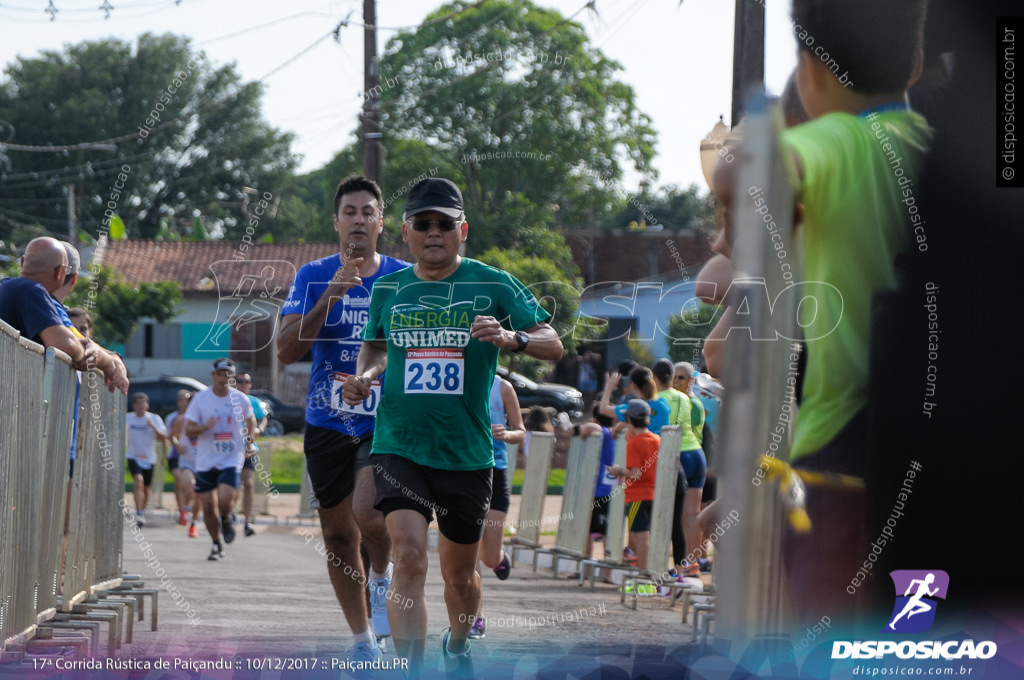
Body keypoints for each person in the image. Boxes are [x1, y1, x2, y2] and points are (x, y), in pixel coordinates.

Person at [342, 176, 562, 676]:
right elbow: (375, 346)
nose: (434, 232)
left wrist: (511, 338)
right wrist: (366, 376)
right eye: (424, 223)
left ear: (463, 230)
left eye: (445, 224)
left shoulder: (492, 282)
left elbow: (552, 341)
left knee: (460, 577)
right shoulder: (390, 289)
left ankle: (459, 643)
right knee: (410, 557)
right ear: (406, 231)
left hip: (467, 453)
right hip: (399, 444)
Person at [777, 0, 932, 622]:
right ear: (916, 61)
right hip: (947, 434)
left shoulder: (841, 139)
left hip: (842, 444)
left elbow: (754, 172)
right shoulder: (949, 146)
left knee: (831, 644)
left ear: (809, 69)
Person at [277, 175, 410, 661]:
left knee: (371, 515)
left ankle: (381, 577)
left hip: (385, 418)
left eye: (366, 211)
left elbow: (415, 348)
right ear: (336, 222)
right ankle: (362, 641)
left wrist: (374, 375)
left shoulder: (402, 279)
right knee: (337, 536)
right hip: (328, 420)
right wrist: (331, 294)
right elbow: (287, 351)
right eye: (349, 212)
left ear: (381, 222)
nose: (358, 219)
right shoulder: (311, 276)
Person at [0, 236, 128, 393]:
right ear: (60, 272)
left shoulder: (5, 286)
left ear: (22, 263)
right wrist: (97, 358)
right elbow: (66, 343)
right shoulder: (32, 291)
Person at [468, 374, 525, 640]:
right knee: (468, 554)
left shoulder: (503, 387)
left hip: (495, 471)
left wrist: (507, 433)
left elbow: (520, 431)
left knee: (488, 556)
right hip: (463, 471)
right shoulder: (458, 377)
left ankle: (500, 557)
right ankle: (474, 618)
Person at [184, 358, 258, 561]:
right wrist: (204, 428)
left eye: (228, 374)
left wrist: (249, 441)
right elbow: (188, 429)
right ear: (213, 375)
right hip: (206, 460)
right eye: (220, 373)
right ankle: (216, 543)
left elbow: (250, 418)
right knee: (207, 506)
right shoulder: (201, 399)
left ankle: (226, 518)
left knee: (225, 498)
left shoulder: (239, 398)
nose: (224, 378)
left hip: (231, 457)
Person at [607, 399, 660, 571]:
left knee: (640, 536)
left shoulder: (635, 443)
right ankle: (645, 571)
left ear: (629, 420)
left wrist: (618, 470)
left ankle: (644, 573)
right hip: (653, 494)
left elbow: (635, 473)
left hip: (638, 495)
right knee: (644, 535)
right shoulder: (657, 439)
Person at [570, 405, 617, 584]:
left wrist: (580, 429)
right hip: (600, 490)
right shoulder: (612, 433)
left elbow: (590, 429)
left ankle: (606, 573)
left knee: (603, 534)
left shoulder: (604, 432)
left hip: (602, 491)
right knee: (590, 532)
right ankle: (588, 571)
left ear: (596, 419)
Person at [126, 392, 169, 527]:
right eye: (137, 403)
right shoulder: (128, 418)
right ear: (133, 406)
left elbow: (164, 436)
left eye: (142, 403)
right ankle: (138, 512)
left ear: (147, 405)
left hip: (149, 458)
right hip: (133, 456)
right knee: (138, 481)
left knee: (146, 488)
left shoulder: (154, 419)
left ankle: (142, 510)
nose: (140, 406)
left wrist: (153, 427)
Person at [233, 372, 267, 537]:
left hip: (248, 448)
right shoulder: (230, 400)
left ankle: (247, 521)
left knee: (248, 483)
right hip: (230, 449)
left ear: (250, 384)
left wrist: (259, 429)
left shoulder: (254, 402)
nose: (243, 384)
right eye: (239, 381)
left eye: (246, 381)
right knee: (232, 485)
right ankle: (230, 513)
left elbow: (264, 417)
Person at [598, 365, 670, 435]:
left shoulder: (636, 408)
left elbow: (603, 409)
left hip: (644, 446)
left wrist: (608, 387)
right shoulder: (663, 402)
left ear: (633, 384)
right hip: (662, 445)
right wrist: (623, 424)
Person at [169, 390, 202, 538]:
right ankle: (185, 509)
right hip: (186, 460)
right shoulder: (182, 420)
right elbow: (172, 436)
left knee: (199, 495)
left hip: (203, 462)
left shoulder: (208, 420)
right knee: (191, 487)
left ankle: (193, 523)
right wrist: (177, 445)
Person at [165, 390, 195, 528]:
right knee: (182, 483)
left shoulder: (206, 417)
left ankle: (186, 509)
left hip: (200, 460)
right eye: (183, 400)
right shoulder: (177, 418)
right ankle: (182, 509)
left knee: (193, 489)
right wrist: (177, 446)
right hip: (178, 457)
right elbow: (171, 436)